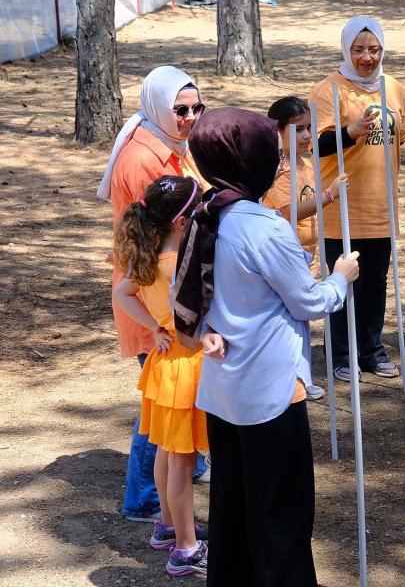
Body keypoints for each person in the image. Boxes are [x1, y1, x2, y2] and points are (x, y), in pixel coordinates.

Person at [172, 107, 360, 586]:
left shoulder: (206, 215)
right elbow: (308, 301)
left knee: (232, 509)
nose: (278, 163)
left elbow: (192, 294)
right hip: (271, 392)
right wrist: (340, 278)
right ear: (247, 161)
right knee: (280, 515)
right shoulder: (264, 227)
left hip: (223, 391)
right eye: (271, 155)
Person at [97, 64, 209, 523]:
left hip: (160, 295)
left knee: (172, 409)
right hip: (156, 303)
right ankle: (144, 499)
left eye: (197, 108)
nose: (190, 117)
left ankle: (186, 467)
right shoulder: (146, 158)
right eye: (180, 109)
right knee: (160, 413)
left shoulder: (168, 145)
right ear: (159, 107)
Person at [111, 175, 210, 576]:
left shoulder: (150, 257)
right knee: (182, 461)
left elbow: (122, 294)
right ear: (183, 222)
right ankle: (186, 549)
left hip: (164, 364)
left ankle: (168, 526)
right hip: (185, 366)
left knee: (168, 454)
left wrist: (155, 326)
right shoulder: (179, 264)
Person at [308, 15, 405, 382]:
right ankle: (341, 354)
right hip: (342, 208)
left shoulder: (394, 88)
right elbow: (314, 146)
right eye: (359, 49)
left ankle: (371, 350)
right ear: (346, 49)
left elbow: (400, 137)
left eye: (374, 49)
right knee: (343, 283)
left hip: (381, 205)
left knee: (376, 284)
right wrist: (349, 132)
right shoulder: (326, 91)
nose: (367, 57)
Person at [263, 96, 349, 401]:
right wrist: (329, 195)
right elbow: (289, 212)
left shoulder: (306, 163)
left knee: (301, 319)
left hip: (308, 251)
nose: (307, 135)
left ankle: (302, 376)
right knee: (290, 318)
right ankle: (292, 378)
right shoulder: (278, 170)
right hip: (287, 254)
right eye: (298, 129)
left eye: (309, 128)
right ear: (277, 130)